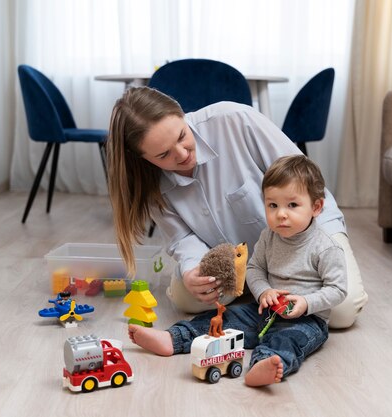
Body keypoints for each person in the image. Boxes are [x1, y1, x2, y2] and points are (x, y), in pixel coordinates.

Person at [107, 86, 367, 329]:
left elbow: (303, 183)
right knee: (189, 301)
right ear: (143, 158)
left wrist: (323, 245)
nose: (182, 154)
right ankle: (256, 286)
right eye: (163, 155)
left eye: (182, 136)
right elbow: (182, 237)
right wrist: (191, 271)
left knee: (341, 313)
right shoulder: (148, 181)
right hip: (234, 260)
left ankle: (271, 284)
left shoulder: (235, 119)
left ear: (180, 111)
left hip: (303, 238)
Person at [128, 154, 347, 387]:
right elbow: (255, 268)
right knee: (225, 318)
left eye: (292, 205)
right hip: (264, 310)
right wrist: (263, 292)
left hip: (306, 320)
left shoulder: (326, 247)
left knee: (286, 341)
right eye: (273, 205)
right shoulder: (269, 236)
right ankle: (174, 338)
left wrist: (306, 302)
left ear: (316, 207)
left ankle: (263, 366)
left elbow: (337, 289)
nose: (281, 214)